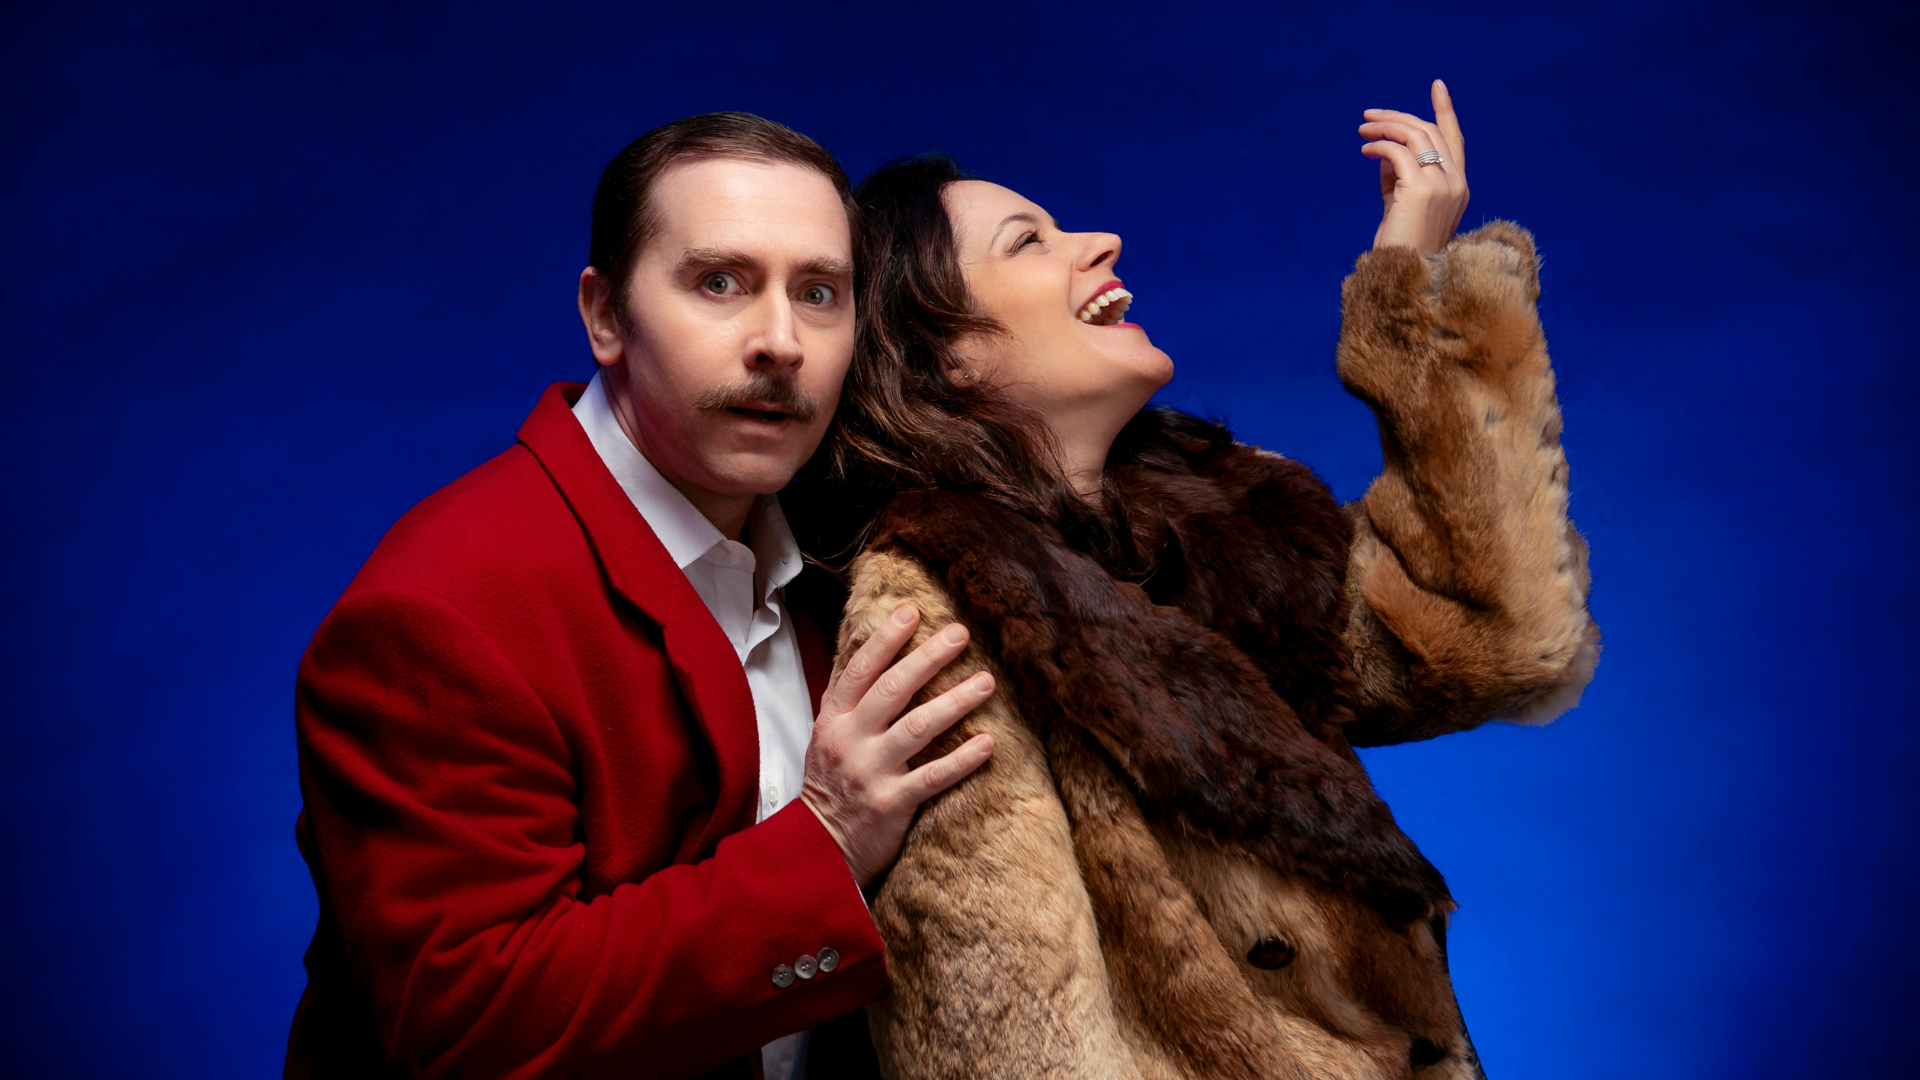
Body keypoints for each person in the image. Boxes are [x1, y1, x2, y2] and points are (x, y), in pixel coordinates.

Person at [803, 81, 1601, 1079]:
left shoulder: (1217, 517)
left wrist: (1414, 289)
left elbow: (1496, 639)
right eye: (1029, 241)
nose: (1101, 242)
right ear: (944, 357)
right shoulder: (938, 600)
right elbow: (1013, 1041)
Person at [286, 113, 996, 1080]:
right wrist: (827, 842)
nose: (780, 342)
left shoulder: (848, 557)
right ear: (606, 316)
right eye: (720, 283)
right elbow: (472, 1030)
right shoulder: (438, 610)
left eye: (819, 294)